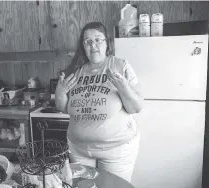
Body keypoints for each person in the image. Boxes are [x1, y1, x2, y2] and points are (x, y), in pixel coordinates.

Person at [55, 21, 144, 183]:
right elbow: (63, 108)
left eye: (98, 39)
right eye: (88, 41)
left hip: (116, 151)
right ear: (83, 46)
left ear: (106, 43)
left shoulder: (120, 66)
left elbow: (136, 107)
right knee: (82, 187)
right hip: (78, 150)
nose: (93, 45)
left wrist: (124, 87)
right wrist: (60, 91)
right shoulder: (74, 70)